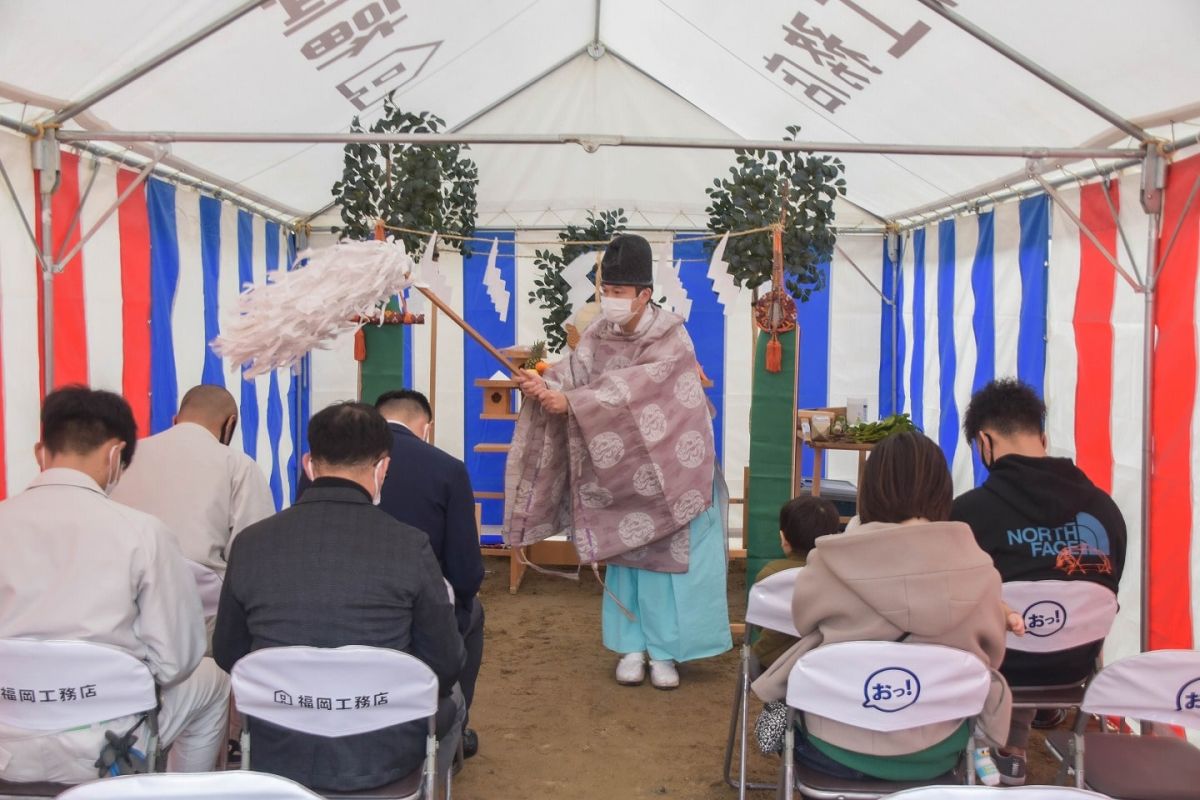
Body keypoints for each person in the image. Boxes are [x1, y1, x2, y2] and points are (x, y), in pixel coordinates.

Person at [506, 233, 732, 690]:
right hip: (616, 466)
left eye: (618, 293)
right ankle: (632, 646)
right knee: (625, 554)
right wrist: (547, 387)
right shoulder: (597, 332)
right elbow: (576, 372)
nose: (608, 300)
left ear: (644, 294)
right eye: (604, 291)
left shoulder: (671, 336)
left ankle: (666, 651)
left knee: (667, 561)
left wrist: (572, 404)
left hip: (669, 467)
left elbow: (642, 388)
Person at [213, 402, 465, 793]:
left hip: (278, 751)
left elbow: (230, 652)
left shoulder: (250, 544)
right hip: (383, 755)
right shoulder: (410, 545)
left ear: (309, 464)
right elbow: (445, 663)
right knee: (455, 702)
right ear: (383, 468)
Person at [0, 386, 228, 783]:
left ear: (41, 453)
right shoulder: (143, 533)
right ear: (115, 455)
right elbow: (177, 661)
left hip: (7, 740)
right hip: (104, 747)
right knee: (214, 682)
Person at [751, 431, 1010, 782]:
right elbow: (992, 658)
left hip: (832, 749)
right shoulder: (982, 573)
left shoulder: (827, 562)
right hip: (938, 749)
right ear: (942, 490)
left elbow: (802, 623)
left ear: (869, 489)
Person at [951, 378, 1127, 786]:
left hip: (991, 672)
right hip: (1070, 671)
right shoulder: (1106, 511)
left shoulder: (967, 515)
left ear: (984, 443)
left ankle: (982, 748)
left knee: (986, 619)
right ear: (1043, 438)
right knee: (1037, 620)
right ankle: (1011, 749)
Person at [371, 388, 485, 757]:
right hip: (417, 613)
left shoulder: (328, 466)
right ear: (426, 427)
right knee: (472, 614)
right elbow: (466, 572)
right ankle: (453, 728)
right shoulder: (447, 468)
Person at [112, 384, 275, 577]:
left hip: (128, 587)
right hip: (205, 599)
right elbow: (255, 554)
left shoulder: (125, 456)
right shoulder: (238, 465)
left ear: (175, 420)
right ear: (230, 424)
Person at [751, 496, 840, 668]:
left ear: (783, 538)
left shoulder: (772, 574)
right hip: (829, 660)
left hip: (776, 661)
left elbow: (760, 624)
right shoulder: (841, 573)